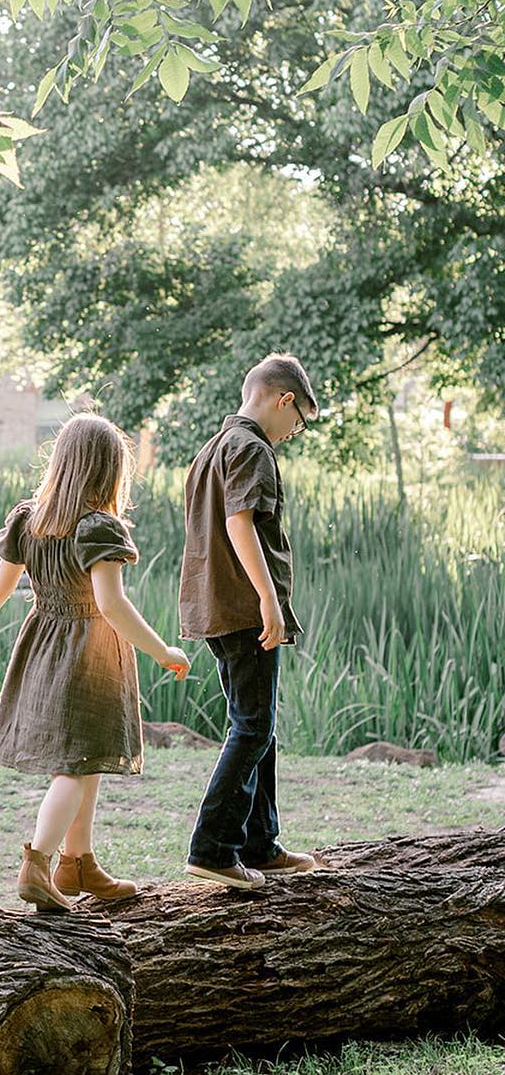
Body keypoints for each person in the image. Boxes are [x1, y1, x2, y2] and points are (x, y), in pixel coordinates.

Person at [0, 413, 190, 911]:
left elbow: (0, 583)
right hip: (87, 654)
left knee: (88, 754)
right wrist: (163, 650)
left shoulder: (31, 519)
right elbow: (112, 605)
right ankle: (37, 863)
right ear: (108, 472)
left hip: (42, 644)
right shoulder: (98, 527)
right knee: (74, 766)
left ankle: (77, 863)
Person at [179, 355, 320, 890]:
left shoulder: (212, 449)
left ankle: (260, 844)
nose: (294, 433)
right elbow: (240, 525)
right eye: (299, 421)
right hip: (243, 607)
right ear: (284, 400)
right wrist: (269, 600)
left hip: (215, 608)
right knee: (253, 726)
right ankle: (213, 849)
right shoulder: (252, 449)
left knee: (259, 725)